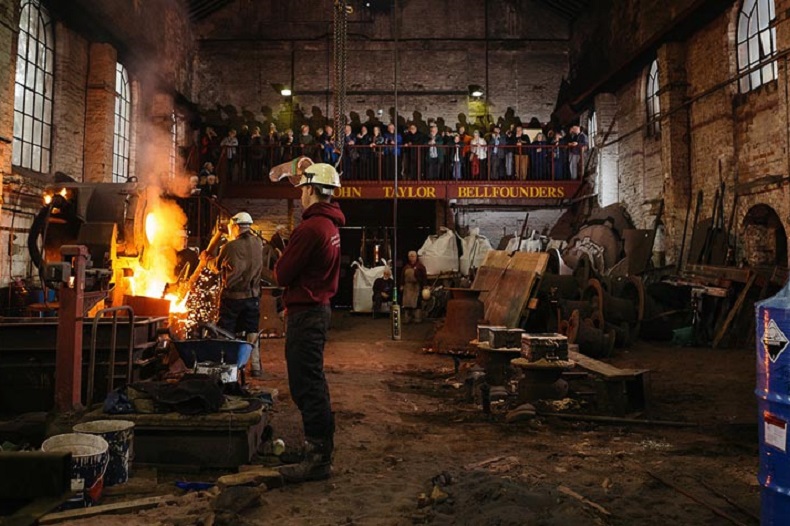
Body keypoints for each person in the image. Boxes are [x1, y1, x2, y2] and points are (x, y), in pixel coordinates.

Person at [272, 161, 345, 483]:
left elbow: (282, 274)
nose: (300, 193)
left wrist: (282, 255)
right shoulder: (330, 226)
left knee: (307, 384)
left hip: (307, 313)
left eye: (303, 188)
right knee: (311, 381)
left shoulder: (311, 229)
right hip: (317, 308)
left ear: (312, 189)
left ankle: (317, 459)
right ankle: (315, 448)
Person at [201, 212, 264, 377]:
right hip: (253, 297)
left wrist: (206, 258)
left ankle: (228, 369)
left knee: (226, 332)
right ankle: (255, 366)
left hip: (233, 298)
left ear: (236, 226)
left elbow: (216, 267)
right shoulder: (258, 243)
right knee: (252, 331)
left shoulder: (230, 246)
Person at [400, 250, 427, 324]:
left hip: (416, 287)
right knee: (407, 303)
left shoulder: (420, 266)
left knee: (417, 303)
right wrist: (402, 285)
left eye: (413, 256)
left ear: (416, 257)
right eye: (410, 256)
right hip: (407, 287)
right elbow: (402, 276)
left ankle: (417, 318)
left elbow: (424, 277)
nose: (411, 258)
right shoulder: (406, 267)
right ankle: (407, 318)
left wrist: (424, 286)